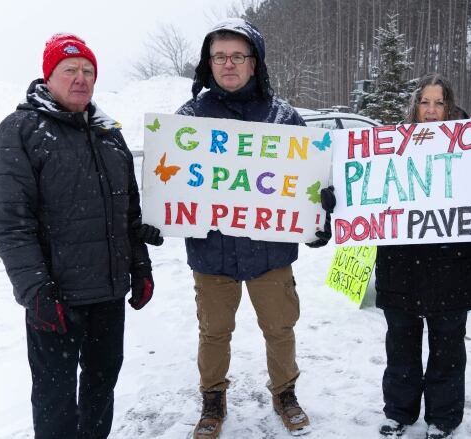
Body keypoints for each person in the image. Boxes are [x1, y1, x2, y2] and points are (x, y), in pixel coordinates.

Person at [0, 33, 163, 439]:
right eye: (69, 70)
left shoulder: (108, 133)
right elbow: (11, 224)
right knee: (55, 396)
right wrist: (36, 291)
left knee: (102, 385)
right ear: (48, 76)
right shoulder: (19, 131)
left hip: (108, 294)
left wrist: (140, 264)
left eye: (88, 71)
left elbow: (128, 213)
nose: (80, 78)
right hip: (57, 297)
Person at [178, 19, 332, 438]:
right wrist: (160, 219)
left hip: (270, 251)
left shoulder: (282, 118)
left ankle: (285, 392)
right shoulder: (189, 120)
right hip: (212, 252)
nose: (229, 64)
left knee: (280, 329)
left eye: (237, 56)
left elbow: (309, 181)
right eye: (220, 57)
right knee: (213, 332)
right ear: (209, 64)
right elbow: (170, 180)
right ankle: (212, 397)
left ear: (254, 62)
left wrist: (319, 216)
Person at [375, 74, 471, 439]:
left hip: (452, 261)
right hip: (400, 261)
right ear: (415, 106)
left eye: (439, 103)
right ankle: (399, 412)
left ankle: (443, 417)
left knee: (447, 344)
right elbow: (368, 189)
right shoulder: (390, 145)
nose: (432, 110)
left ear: (449, 106)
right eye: (425, 102)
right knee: (401, 341)